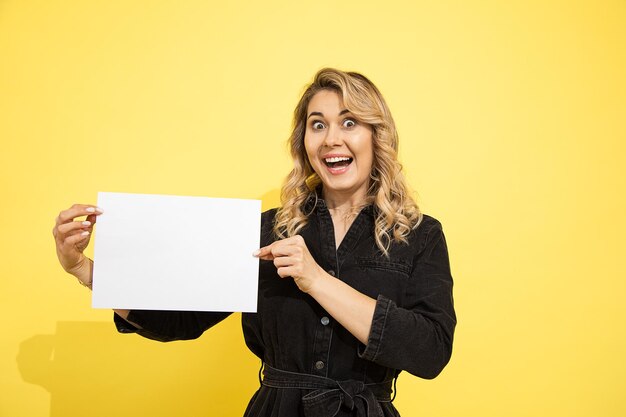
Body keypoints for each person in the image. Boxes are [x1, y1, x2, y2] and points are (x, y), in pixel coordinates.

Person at [52, 68, 456, 417]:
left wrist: (317, 280)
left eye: (349, 122)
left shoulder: (420, 235)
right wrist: (86, 270)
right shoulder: (265, 230)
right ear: (304, 142)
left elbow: (430, 351)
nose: (332, 138)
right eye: (318, 124)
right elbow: (182, 319)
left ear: (376, 136)